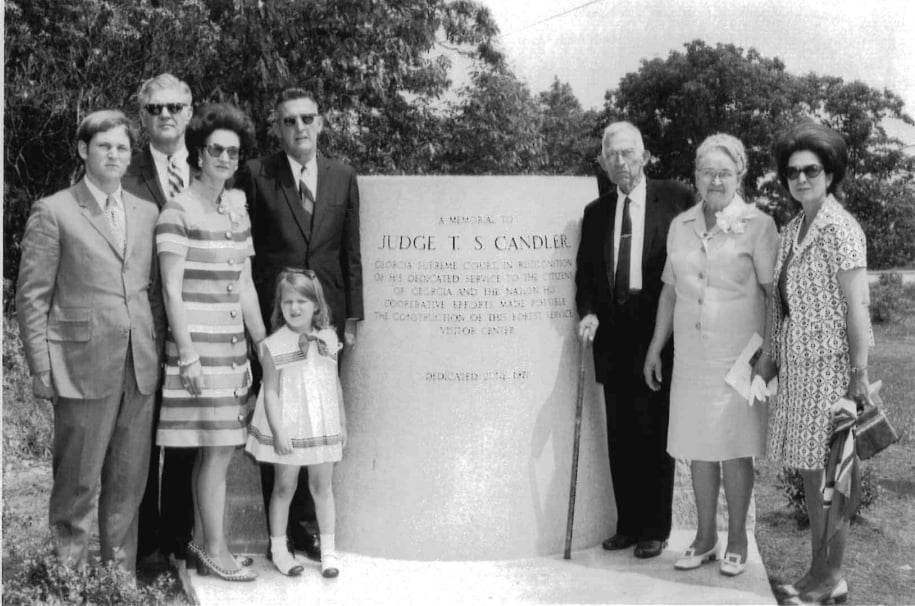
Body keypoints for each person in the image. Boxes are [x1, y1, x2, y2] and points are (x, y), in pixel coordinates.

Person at [16, 110, 163, 573]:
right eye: (104, 147)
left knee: (127, 484)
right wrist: (43, 368)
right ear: (83, 151)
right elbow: (32, 297)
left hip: (138, 366)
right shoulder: (55, 210)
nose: (114, 155)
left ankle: (117, 579)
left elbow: (151, 293)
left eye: (122, 148)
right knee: (77, 484)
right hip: (79, 365)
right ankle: (67, 577)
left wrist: (154, 349)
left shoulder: (147, 212)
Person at [643, 134, 778, 576]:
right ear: (695, 176)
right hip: (692, 357)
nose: (715, 180)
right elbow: (668, 292)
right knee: (699, 448)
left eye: (724, 172)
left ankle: (737, 537)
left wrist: (768, 354)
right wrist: (655, 347)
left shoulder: (759, 224)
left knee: (736, 450)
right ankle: (704, 537)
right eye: (706, 172)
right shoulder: (680, 225)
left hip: (739, 356)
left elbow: (772, 295)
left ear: (740, 175)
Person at [237, 87, 363, 560]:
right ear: (277, 127)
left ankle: (310, 527)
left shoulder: (343, 176)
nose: (299, 127)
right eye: (289, 121)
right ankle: (284, 536)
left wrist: (353, 316)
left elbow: (350, 251)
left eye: (307, 118)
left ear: (321, 122)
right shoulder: (255, 175)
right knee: (281, 417)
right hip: (277, 321)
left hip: (325, 323)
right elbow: (246, 256)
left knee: (318, 414)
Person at [758, 122, 872, 604]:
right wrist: (769, 359)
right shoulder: (790, 231)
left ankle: (829, 578)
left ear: (830, 174)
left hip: (831, 374)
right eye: (792, 171)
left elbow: (857, 307)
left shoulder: (840, 229)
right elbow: (779, 305)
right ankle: (818, 573)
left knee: (833, 479)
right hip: (798, 373)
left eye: (811, 170)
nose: (801, 178)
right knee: (811, 476)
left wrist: (859, 377)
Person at [155, 103, 267, 582]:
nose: (225, 158)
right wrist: (188, 355)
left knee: (220, 450)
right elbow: (170, 290)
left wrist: (262, 344)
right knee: (216, 451)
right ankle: (214, 551)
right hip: (198, 352)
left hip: (232, 352)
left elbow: (244, 285)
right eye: (217, 150)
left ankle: (208, 547)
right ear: (199, 154)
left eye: (233, 152)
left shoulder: (236, 211)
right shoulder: (177, 211)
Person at [575, 121, 693, 558]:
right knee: (621, 434)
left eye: (628, 153)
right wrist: (586, 313)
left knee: (654, 431)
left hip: (658, 331)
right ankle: (626, 524)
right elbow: (585, 277)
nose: (620, 162)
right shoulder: (595, 213)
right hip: (612, 336)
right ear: (603, 163)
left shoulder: (678, 199)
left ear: (644, 156)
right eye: (612, 156)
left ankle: (654, 527)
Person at [122, 72, 197, 568]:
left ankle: (179, 538)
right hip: (146, 324)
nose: (165, 115)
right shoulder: (123, 176)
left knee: (190, 435)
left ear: (189, 111)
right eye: (154, 109)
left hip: (202, 322)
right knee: (143, 436)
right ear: (142, 117)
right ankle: (146, 542)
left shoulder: (220, 168)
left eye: (174, 106)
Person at [246, 269, 347, 578]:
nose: (295, 307)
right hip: (290, 426)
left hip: (321, 424)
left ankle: (328, 552)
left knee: (322, 487)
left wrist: (342, 423)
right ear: (280, 305)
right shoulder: (274, 345)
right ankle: (279, 550)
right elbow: (272, 392)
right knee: (284, 487)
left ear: (316, 304)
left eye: (302, 300)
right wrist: (278, 430)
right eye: (288, 301)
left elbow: (335, 384)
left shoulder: (328, 338)